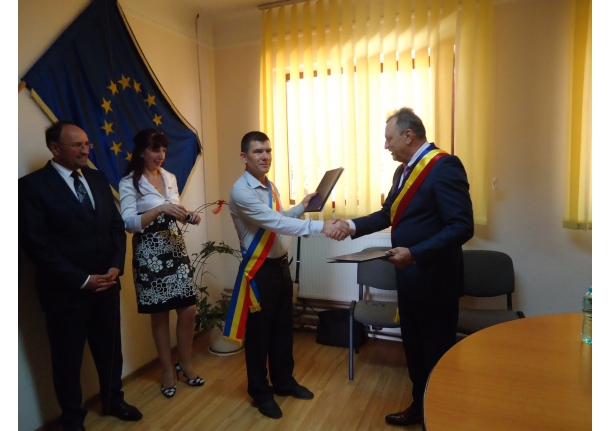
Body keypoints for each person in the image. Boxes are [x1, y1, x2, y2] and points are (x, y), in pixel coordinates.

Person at [336, 107, 474, 426]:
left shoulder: (444, 166)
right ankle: (419, 406)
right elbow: (388, 214)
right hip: (409, 277)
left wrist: (416, 253)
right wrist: (350, 226)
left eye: (389, 138)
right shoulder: (403, 171)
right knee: (413, 346)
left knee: (436, 350)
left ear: (408, 135)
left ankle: (439, 416)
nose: (386, 145)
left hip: (435, 280)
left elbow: (461, 226)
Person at [18, 121, 143, 431]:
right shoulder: (32, 187)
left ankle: (113, 400)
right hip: (65, 293)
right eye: (77, 145)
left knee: (110, 351)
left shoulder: (97, 179)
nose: (86, 150)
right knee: (67, 361)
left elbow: (115, 227)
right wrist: (83, 279)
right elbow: (36, 244)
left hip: (107, 285)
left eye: (87, 144)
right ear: (55, 148)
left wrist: (116, 265)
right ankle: (73, 419)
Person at [228, 131, 349, 419]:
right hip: (259, 271)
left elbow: (280, 218)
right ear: (244, 157)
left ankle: (283, 382)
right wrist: (320, 227)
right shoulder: (241, 191)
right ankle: (260, 392)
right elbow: (275, 223)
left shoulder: (269, 186)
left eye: (268, 151)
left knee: (283, 329)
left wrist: (302, 208)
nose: (265, 156)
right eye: (258, 152)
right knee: (259, 335)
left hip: (280, 266)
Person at [119, 129, 204, 399]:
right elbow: (129, 223)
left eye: (164, 150)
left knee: (188, 309)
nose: (161, 155)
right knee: (160, 314)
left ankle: (185, 363)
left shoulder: (170, 177)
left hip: (175, 246)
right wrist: (158, 209)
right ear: (142, 151)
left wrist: (188, 215)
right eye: (156, 149)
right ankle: (167, 370)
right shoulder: (129, 182)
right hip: (149, 253)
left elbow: (174, 210)